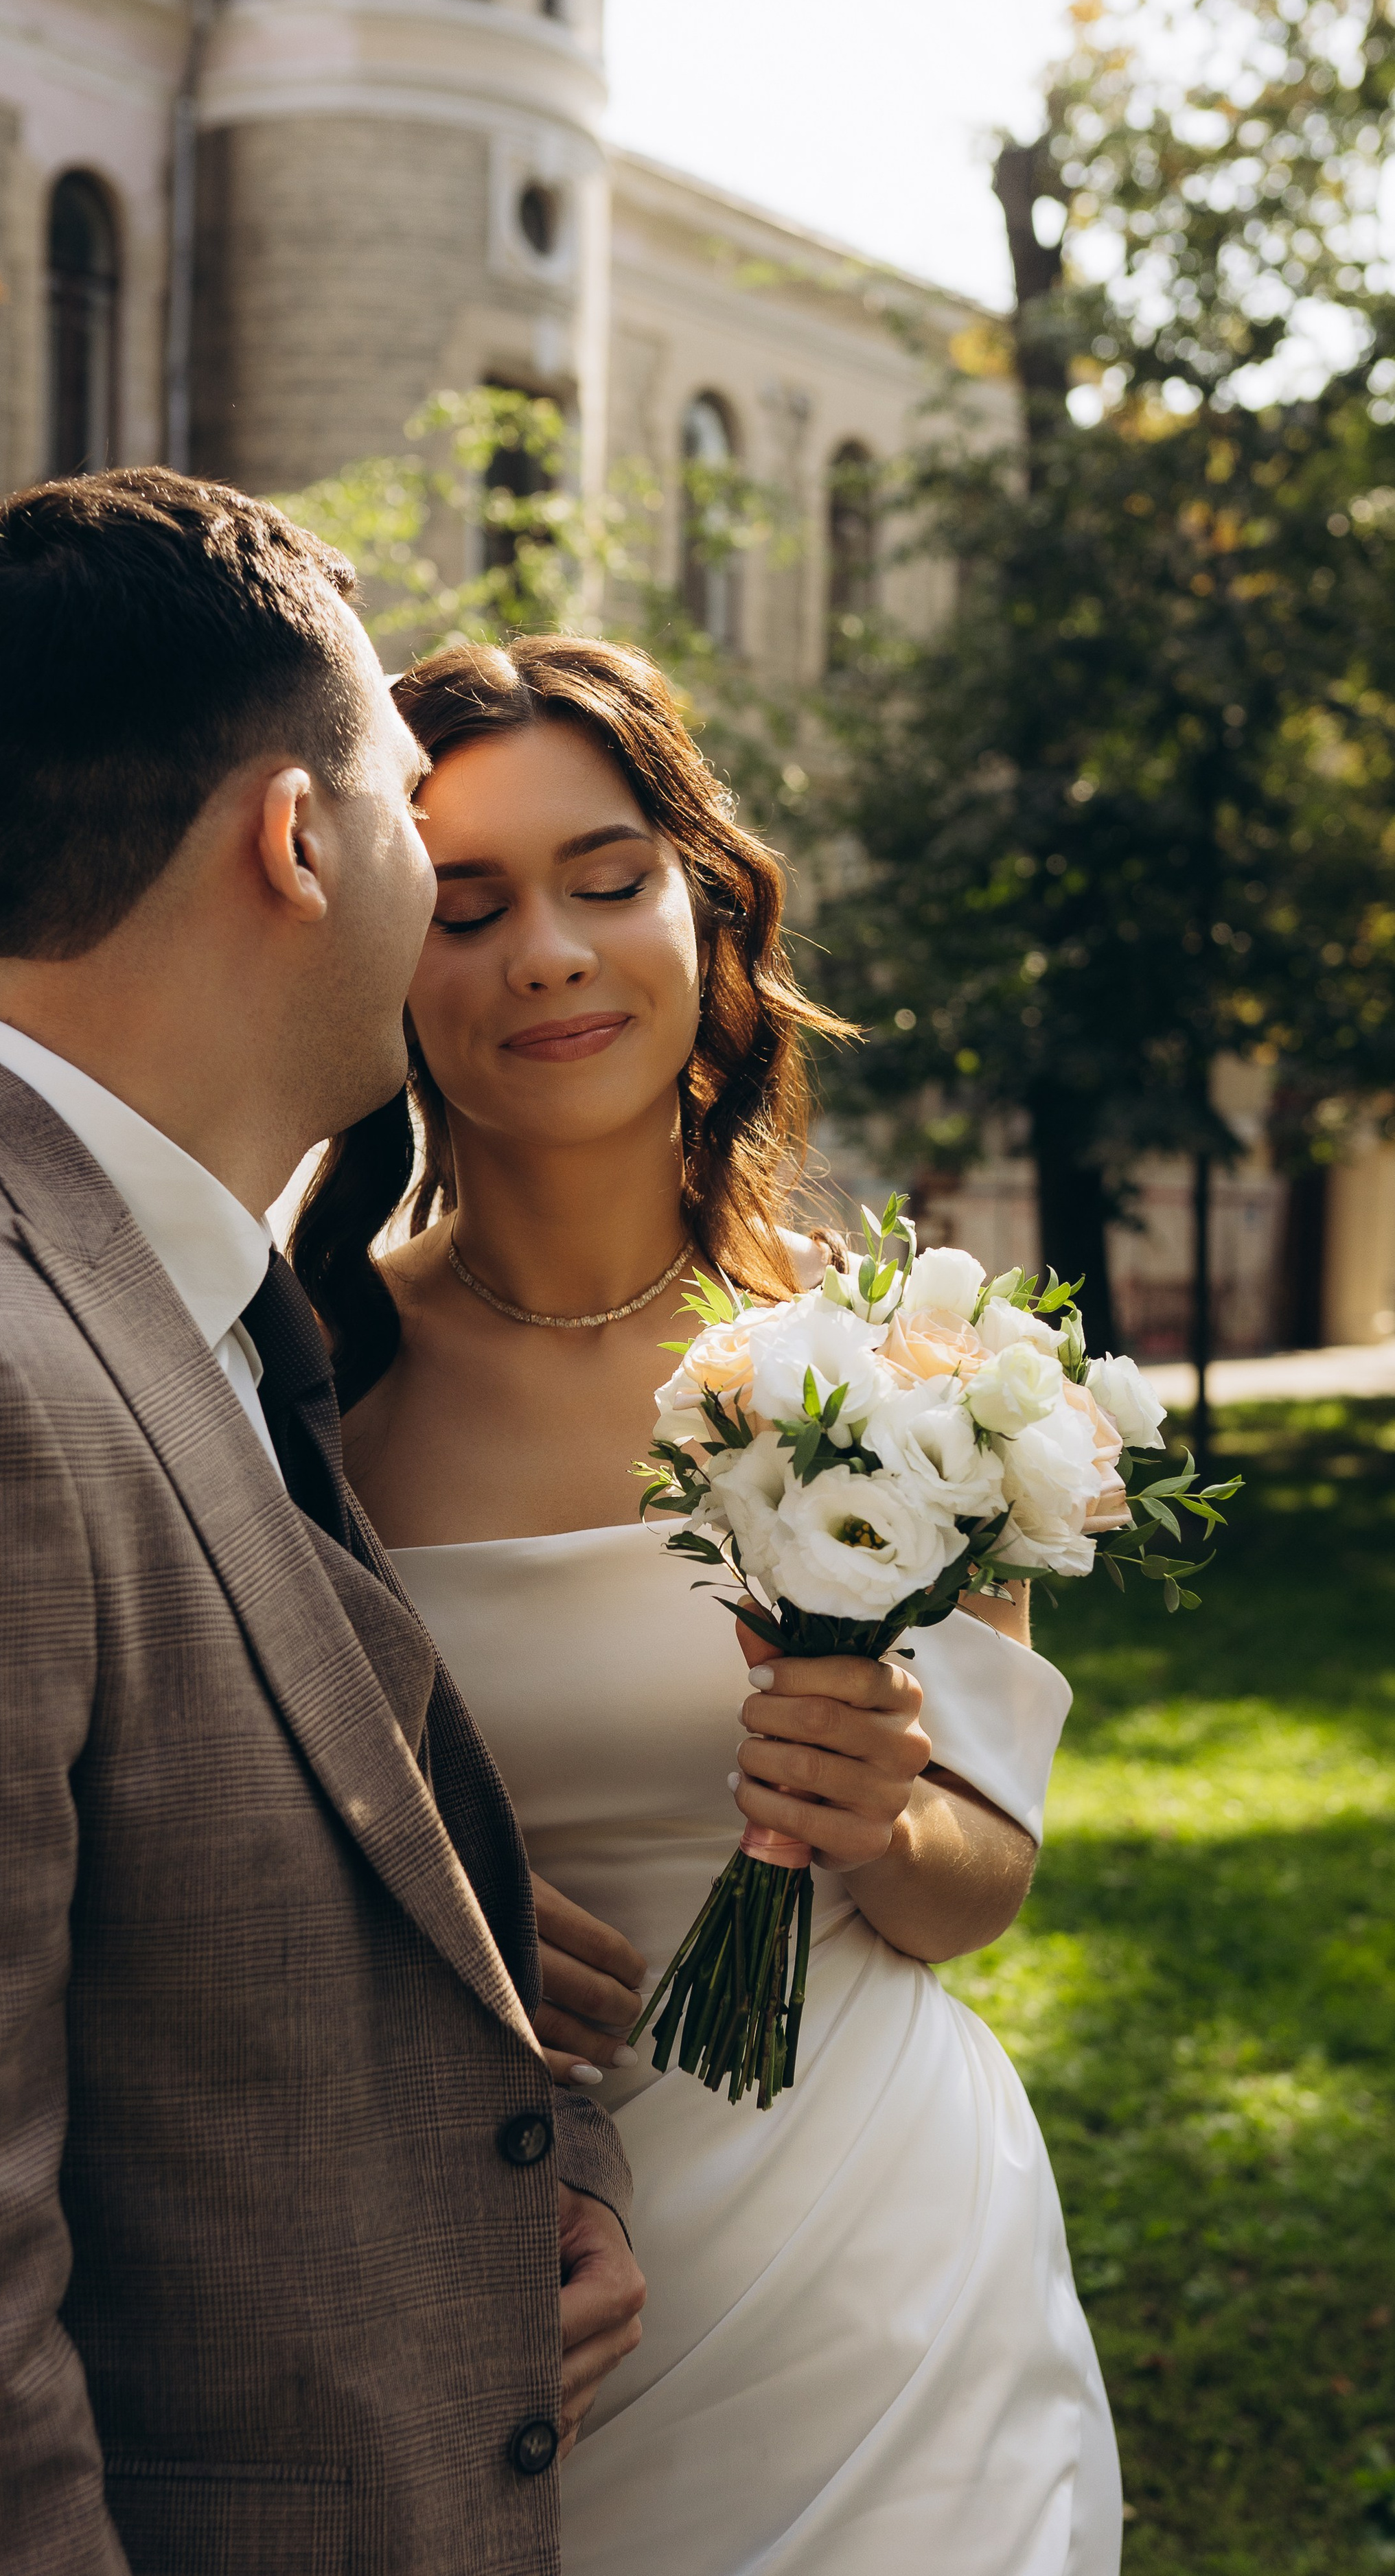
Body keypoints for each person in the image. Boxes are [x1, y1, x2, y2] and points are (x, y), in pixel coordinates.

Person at [0, 477, 645, 2576]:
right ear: (295, 837)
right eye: (401, 797)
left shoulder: (187, 1302)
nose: (420, 857)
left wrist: (509, 2175)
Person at [295, 633, 1124, 2576]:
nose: (553, 957)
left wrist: (886, 1805)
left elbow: (977, 1886)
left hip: (884, 2278)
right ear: (379, 953)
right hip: (504, 2278)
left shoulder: (903, 1362)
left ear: (704, 902)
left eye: (605, 880)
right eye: (468, 905)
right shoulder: (303, 1382)